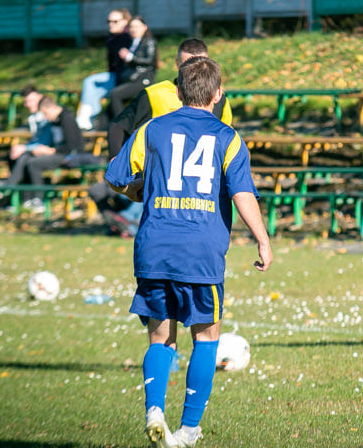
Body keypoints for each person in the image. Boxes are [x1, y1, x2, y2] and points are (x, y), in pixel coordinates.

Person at [105, 56, 273, 447]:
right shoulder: (228, 137)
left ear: (178, 93)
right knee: (206, 338)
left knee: (160, 339)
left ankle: (154, 409)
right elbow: (242, 192)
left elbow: (116, 176)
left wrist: (140, 191)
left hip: (155, 249)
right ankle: (189, 429)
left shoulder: (153, 129)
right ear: (218, 95)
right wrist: (262, 239)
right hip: (201, 252)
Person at [90, 38, 232, 238]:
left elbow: (224, 145)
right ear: (177, 64)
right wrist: (116, 156)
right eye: (187, 64)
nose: (194, 69)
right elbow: (118, 125)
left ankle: (128, 222)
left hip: (197, 189)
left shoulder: (220, 100)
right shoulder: (155, 94)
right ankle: (129, 222)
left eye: (200, 63)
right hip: (162, 180)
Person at [0, 96, 84, 212]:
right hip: (56, 153)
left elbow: (71, 147)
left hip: (69, 156)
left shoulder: (67, 119)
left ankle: (39, 199)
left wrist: (50, 151)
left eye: (45, 113)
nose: (45, 117)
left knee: (34, 163)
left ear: (51, 108)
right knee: (25, 158)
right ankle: (21, 195)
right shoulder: (55, 121)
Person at [75, 8, 133, 131]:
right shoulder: (112, 39)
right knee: (93, 89)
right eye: (109, 21)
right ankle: (89, 119)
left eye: (115, 21)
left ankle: (88, 117)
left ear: (125, 22)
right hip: (114, 75)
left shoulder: (128, 37)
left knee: (90, 81)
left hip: (125, 78)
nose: (111, 24)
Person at [108, 16, 158, 120]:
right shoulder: (134, 42)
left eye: (137, 26)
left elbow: (149, 61)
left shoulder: (149, 41)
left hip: (143, 79)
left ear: (144, 27)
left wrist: (130, 58)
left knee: (115, 94)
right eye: (131, 27)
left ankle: (122, 123)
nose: (134, 29)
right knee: (109, 108)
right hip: (131, 78)